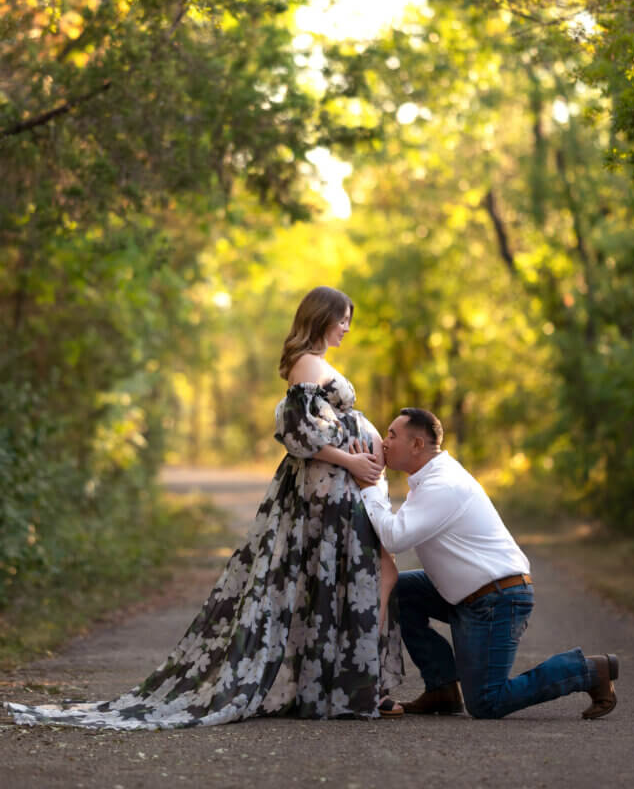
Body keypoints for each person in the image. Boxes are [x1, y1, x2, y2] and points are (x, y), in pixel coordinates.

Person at [5, 287, 403, 729]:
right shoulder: (307, 363)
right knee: (348, 575)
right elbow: (300, 432)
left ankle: (343, 684)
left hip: (334, 487)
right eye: (342, 318)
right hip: (325, 488)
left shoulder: (315, 362)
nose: (347, 327)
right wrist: (351, 460)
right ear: (321, 316)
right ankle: (346, 686)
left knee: (341, 577)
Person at [352, 407, 619, 721]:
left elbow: (396, 537)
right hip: (465, 593)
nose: (384, 442)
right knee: (401, 590)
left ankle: (589, 670)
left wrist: (369, 487)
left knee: (487, 702)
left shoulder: (443, 485)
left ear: (417, 445)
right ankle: (443, 688)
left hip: (496, 598)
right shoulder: (429, 480)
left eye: (392, 435)